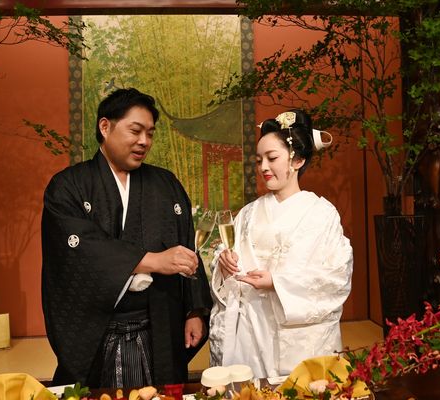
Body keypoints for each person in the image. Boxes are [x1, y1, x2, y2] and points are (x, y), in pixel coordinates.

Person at [42, 88, 212, 388]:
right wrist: (152, 261)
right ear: (105, 126)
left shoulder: (166, 184)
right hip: (99, 331)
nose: (144, 141)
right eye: (135, 130)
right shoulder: (68, 186)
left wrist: (194, 311)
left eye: (150, 133)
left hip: (160, 327)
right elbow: (80, 248)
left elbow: (187, 246)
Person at [209, 109, 353, 378]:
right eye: (259, 160)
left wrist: (277, 283)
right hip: (251, 333)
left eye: (272, 158)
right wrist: (224, 263)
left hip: (298, 336)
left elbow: (336, 277)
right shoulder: (249, 213)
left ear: (297, 159)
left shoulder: (322, 214)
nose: (263, 167)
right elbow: (227, 259)